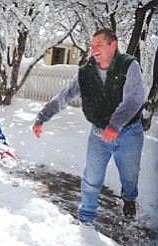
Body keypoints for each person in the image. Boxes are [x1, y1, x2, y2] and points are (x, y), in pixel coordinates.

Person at [32, 29, 145, 223]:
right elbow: (65, 96)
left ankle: (129, 198)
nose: (94, 50)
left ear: (113, 45)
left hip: (129, 133)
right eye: (92, 46)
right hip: (99, 135)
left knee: (130, 176)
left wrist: (115, 124)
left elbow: (135, 99)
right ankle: (85, 219)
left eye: (99, 45)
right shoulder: (87, 72)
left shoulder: (128, 65)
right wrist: (42, 117)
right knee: (91, 179)